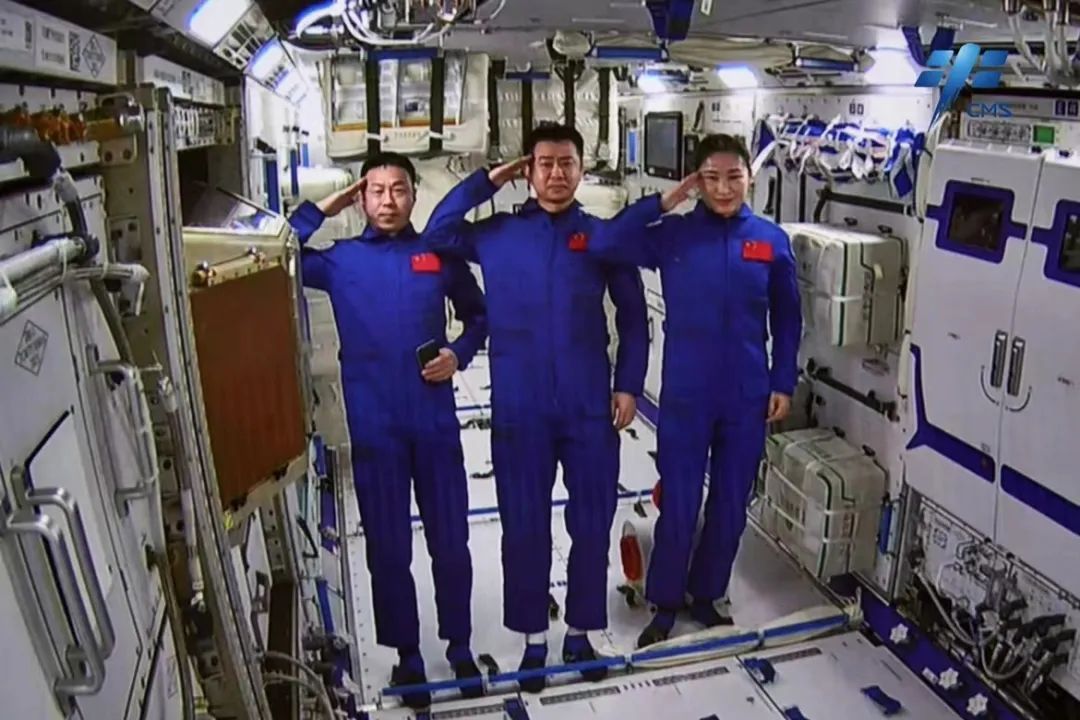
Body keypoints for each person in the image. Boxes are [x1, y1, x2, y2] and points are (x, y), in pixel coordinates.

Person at [422, 123, 649, 691]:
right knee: (523, 525)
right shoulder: (497, 233)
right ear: (528, 171)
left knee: (591, 520)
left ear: (582, 169)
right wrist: (488, 180)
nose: (556, 173)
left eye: (567, 163)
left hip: (587, 404)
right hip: (520, 406)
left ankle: (581, 632)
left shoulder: (600, 236)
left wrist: (628, 385)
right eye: (544, 163)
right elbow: (437, 230)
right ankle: (533, 642)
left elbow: (633, 316)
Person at [585, 133, 803, 648]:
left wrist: (783, 380)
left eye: (733, 177)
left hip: (747, 394)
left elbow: (788, 318)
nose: (723, 188)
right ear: (696, 182)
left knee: (730, 502)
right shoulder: (673, 235)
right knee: (680, 501)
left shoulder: (771, 240)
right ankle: (665, 602)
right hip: (687, 393)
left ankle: (706, 595)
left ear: (750, 178)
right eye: (711, 178)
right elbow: (605, 243)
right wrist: (663, 202)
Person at [287, 152, 488, 708]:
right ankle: (408, 654)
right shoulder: (340, 260)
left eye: (398, 189)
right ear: (361, 199)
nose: (388, 201)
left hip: (434, 422)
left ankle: (460, 645)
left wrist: (459, 354)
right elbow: (282, 253)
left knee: (451, 541)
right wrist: (325, 207)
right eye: (375, 191)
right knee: (388, 546)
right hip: (375, 426)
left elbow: (478, 316)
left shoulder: (439, 255)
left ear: (414, 194)